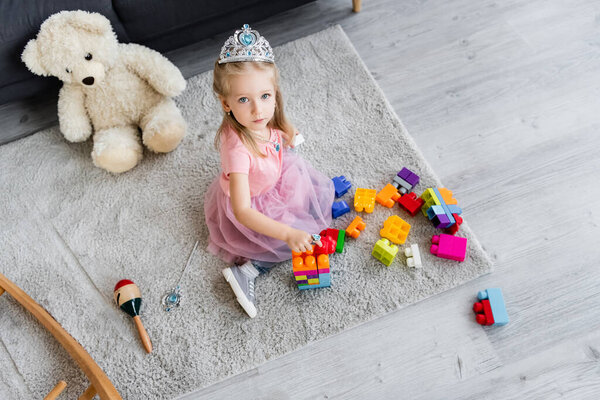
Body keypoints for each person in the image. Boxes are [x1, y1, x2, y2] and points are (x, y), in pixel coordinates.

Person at [204, 24, 334, 318]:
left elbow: (274, 122)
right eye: (243, 100)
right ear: (226, 103)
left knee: (307, 192)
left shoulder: (263, 117)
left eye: (264, 97)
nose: (257, 111)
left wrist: (286, 129)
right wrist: (287, 233)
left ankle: (293, 224)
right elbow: (243, 211)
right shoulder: (237, 150)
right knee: (282, 242)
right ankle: (247, 271)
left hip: (274, 176)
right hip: (251, 202)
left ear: (274, 93)